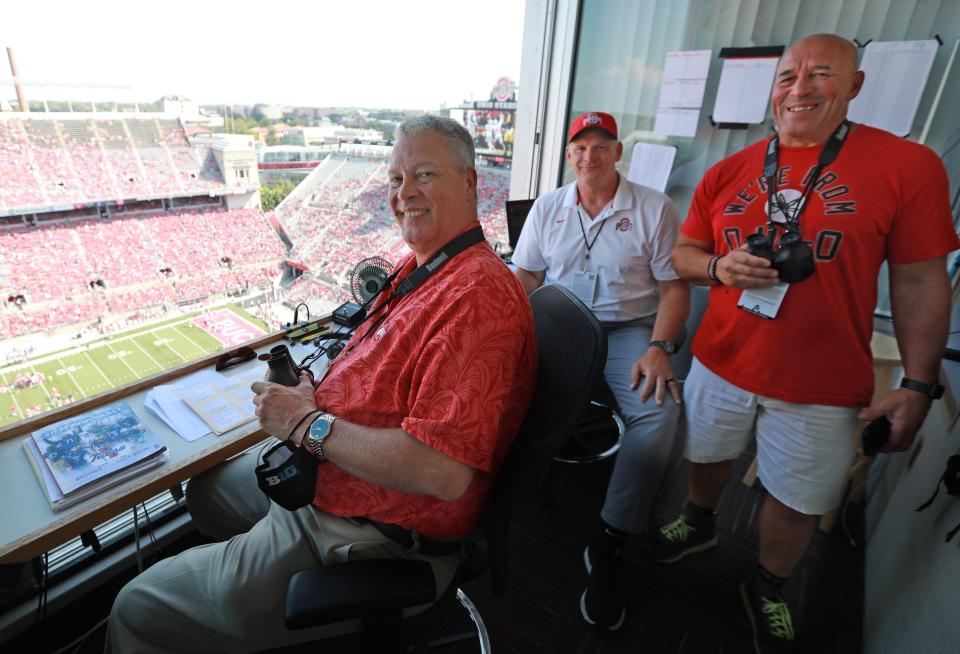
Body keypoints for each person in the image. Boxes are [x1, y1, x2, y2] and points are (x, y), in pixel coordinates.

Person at [107, 115, 538, 653]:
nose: (404, 194)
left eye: (423, 175)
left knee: (136, 608)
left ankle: (260, 600)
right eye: (395, 180)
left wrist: (305, 422)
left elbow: (442, 470)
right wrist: (317, 391)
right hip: (333, 476)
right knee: (209, 493)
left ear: (470, 183)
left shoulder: (476, 298)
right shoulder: (426, 266)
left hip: (376, 531)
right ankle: (250, 611)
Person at [659, 33, 959, 653]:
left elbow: (921, 278)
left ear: (854, 86)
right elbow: (683, 255)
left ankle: (769, 586)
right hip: (721, 359)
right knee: (707, 455)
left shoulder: (907, 166)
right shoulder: (729, 170)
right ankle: (699, 522)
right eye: (787, 77)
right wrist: (719, 268)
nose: (800, 89)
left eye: (821, 74)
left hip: (823, 382)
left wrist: (918, 385)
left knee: (795, 500)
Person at [512, 111, 690, 631]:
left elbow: (676, 287)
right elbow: (526, 274)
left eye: (600, 146)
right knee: (503, 384)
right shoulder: (549, 207)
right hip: (563, 322)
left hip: (627, 330)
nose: (589, 157)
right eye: (580, 148)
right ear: (569, 156)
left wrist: (661, 346)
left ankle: (611, 538)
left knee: (658, 417)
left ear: (617, 153)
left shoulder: (655, 208)